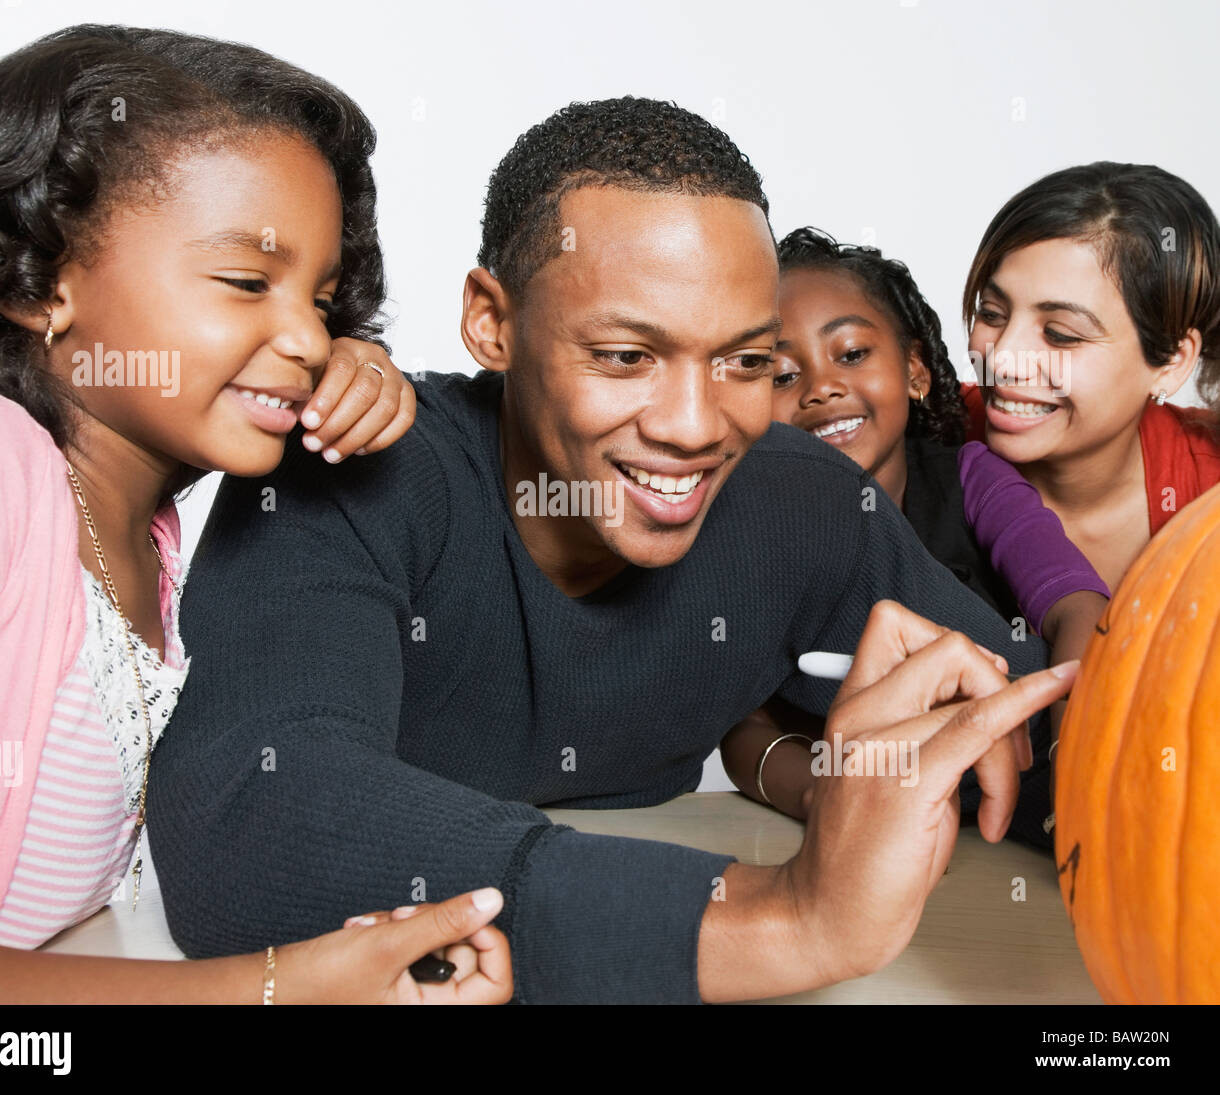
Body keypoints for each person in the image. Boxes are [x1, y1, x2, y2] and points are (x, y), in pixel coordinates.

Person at [148, 96, 1067, 1004]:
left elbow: (1052, 736)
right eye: (627, 356)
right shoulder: (359, 470)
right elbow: (247, 817)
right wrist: (773, 918)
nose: (695, 427)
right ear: (491, 322)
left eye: (746, 362)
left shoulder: (803, 501)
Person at [0, 25, 510, 1005]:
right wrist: (270, 990)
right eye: (247, 282)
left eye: (324, 302)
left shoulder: (150, 538)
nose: (308, 338)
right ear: (38, 283)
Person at [720, 228, 1109, 832]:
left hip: (1047, 780)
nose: (821, 388)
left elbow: (1077, 607)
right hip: (904, 825)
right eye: (780, 374)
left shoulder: (973, 478)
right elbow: (748, 732)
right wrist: (822, 799)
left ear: (915, 371)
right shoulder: (761, 543)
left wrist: (1079, 757)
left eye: (851, 354)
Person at [961, 162, 1220, 594]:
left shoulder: (1207, 488)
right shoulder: (917, 435)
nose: (1002, 359)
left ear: (1172, 361)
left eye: (1060, 335)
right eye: (992, 314)